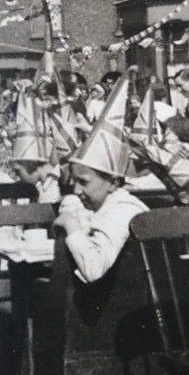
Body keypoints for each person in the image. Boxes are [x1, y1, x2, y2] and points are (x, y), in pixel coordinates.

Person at [53, 74, 148, 283]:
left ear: (113, 182)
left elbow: (93, 270)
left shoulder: (123, 210)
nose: (77, 190)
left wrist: (71, 225)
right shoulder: (103, 204)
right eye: (74, 182)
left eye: (84, 182)